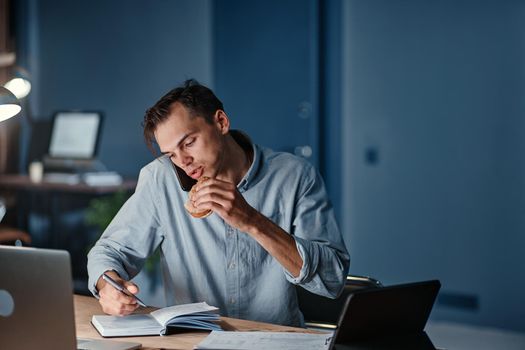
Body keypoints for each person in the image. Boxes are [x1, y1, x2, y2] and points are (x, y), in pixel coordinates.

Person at [87, 79, 349, 327]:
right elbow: (109, 251)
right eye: (171, 154)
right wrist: (107, 285)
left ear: (221, 122)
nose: (183, 161)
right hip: (195, 341)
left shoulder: (295, 176)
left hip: (276, 340)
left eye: (189, 142)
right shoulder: (160, 178)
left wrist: (252, 220)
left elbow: (332, 279)